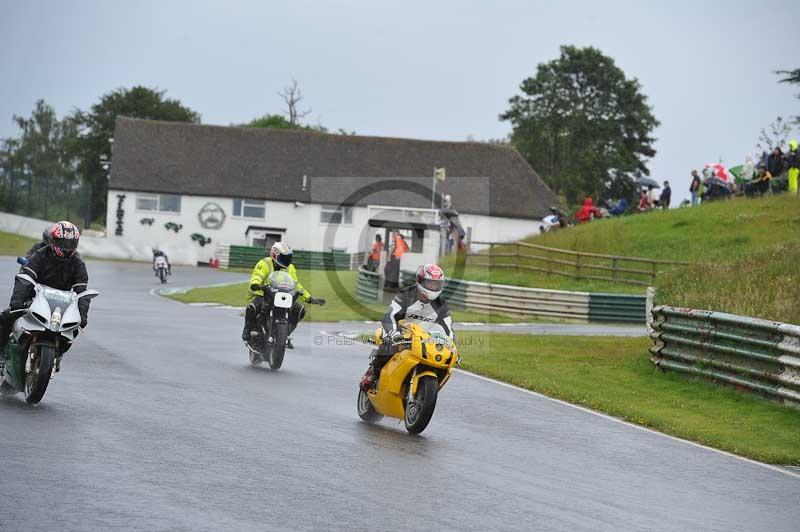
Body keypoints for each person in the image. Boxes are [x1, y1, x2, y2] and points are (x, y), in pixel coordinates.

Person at [0, 221, 91, 370]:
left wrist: (82, 314)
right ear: (53, 240)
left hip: (61, 303)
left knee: (74, 327)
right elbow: (25, 278)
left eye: (71, 243)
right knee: (7, 315)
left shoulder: (78, 263)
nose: (67, 247)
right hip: (34, 297)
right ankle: (1, 353)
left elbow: (82, 291)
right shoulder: (40, 255)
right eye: (63, 242)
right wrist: (17, 301)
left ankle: (58, 352)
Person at [359, 263, 453, 391]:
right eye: (430, 283)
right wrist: (393, 333)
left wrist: (451, 345)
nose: (433, 287)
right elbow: (389, 316)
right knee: (389, 344)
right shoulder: (406, 295)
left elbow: (448, 328)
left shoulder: (441, 304)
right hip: (400, 333)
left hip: (424, 338)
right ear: (420, 281)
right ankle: (373, 373)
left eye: (436, 284)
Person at [242, 241, 325, 349]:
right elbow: (257, 275)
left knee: (300, 310)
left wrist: (309, 298)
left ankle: (285, 334)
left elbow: (296, 284)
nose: (287, 260)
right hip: (264, 293)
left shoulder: (289, 268)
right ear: (274, 255)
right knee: (252, 308)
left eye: (288, 257)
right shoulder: (264, 263)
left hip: (283, 295)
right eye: (284, 257)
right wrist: (255, 284)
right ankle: (247, 330)